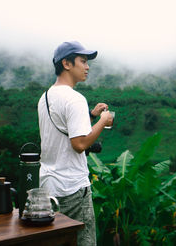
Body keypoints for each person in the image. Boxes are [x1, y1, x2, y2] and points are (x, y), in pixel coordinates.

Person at [38, 41, 113, 246]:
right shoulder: (75, 99)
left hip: (48, 185)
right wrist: (102, 121)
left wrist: (90, 115)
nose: (87, 67)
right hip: (72, 187)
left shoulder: (45, 97)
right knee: (83, 241)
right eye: (83, 61)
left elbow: (63, 130)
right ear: (67, 64)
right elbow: (79, 144)